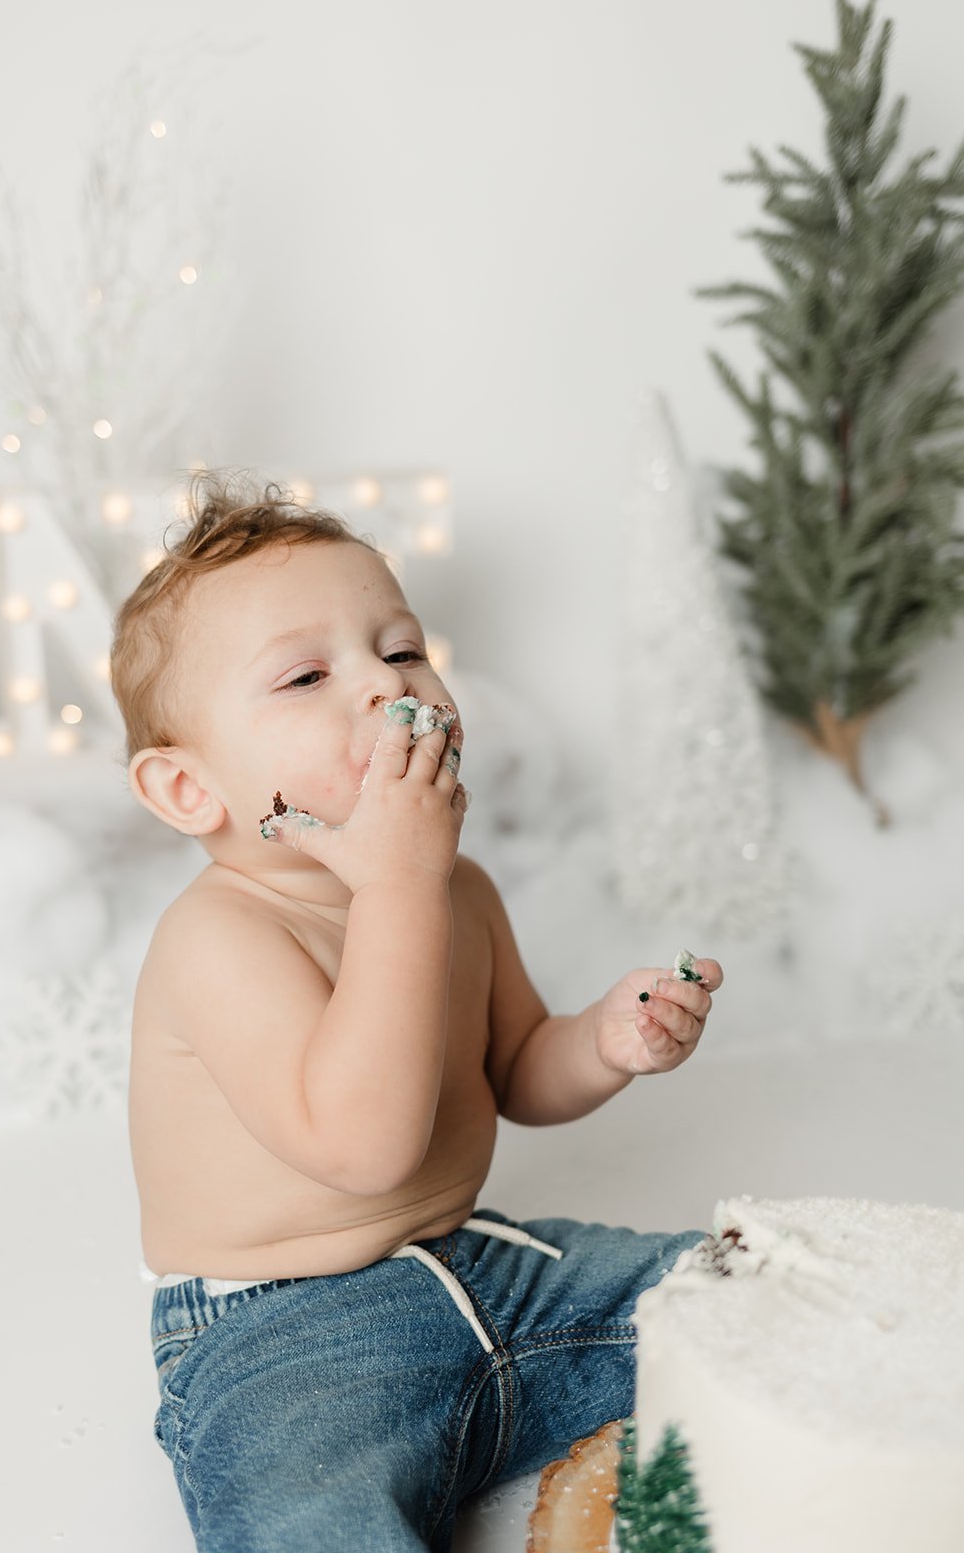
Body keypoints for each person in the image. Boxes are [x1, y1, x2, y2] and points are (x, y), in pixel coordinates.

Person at [110, 469, 722, 1553]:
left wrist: (603, 1039)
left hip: (483, 1265)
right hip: (281, 1336)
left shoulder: (456, 892)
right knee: (310, 1525)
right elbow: (366, 1147)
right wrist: (399, 886)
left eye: (399, 649)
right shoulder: (220, 937)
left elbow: (514, 1071)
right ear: (189, 791)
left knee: (742, 1285)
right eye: (304, 674)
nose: (385, 690)